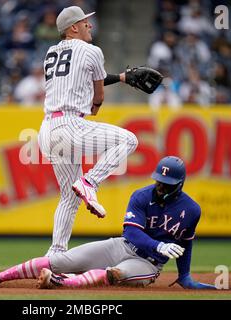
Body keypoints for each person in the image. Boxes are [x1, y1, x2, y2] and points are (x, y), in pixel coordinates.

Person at [0, 156, 216, 290]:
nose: (160, 187)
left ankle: (60, 282)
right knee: (62, 260)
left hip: (148, 264)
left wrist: (184, 275)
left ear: (179, 184)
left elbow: (185, 243)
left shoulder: (191, 209)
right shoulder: (141, 195)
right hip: (124, 246)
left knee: (114, 274)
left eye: (166, 184)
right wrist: (159, 246)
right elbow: (130, 232)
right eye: (158, 181)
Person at [36, 5, 162, 257]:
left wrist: (123, 77)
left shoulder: (50, 52)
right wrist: (95, 104)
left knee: (68, 199)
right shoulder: (92, 51)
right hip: (71, 125)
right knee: (128, 140)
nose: (89, 25)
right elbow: (98, 92)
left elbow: (82, 76)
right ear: (73, 27)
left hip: (47, 129)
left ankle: (55, 255)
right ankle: (89, 182)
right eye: (84, 22)